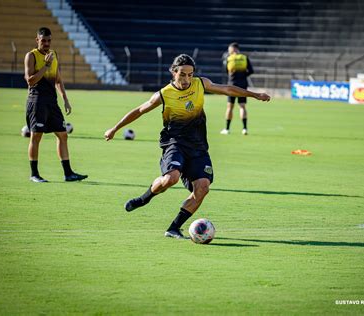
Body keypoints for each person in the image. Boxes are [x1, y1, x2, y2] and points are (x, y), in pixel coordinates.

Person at [104, 54, 270, 239]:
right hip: (174, 143)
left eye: (190, 74)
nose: (187, 79)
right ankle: (144, 198)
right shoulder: (164, 94)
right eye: (182, 74)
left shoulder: (201, 84)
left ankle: (174, 228)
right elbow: (139, 110)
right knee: (171, 179)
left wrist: (254, 94)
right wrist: (115, 128)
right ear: (174, 72)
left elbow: (227, 89)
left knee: (203, 187)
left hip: (198, 147)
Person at [24, 27, 87, 183]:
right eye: (43, 40)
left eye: (49, 40)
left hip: (52, 102)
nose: (46, 43)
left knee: (62, 135)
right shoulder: (31, 56)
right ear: (37, 40)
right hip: (36, 100)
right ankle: (34, 174)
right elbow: (30, 81)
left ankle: (68, 173)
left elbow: (58, 80)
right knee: (36, 136)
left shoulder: (54, 55)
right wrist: (45, 66)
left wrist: (65, 99)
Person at [220, 42, 254, 135]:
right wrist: (243, 76)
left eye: (229, 50)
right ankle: (244, 129)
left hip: (232, 85)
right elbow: (251, 71)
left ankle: (227, 129)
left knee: (230, 107)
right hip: (243, 84)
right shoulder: (244, 58)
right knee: (242, 106)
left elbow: (226, 71)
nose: (229, 52)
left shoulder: (229, 58)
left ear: (233, 49)